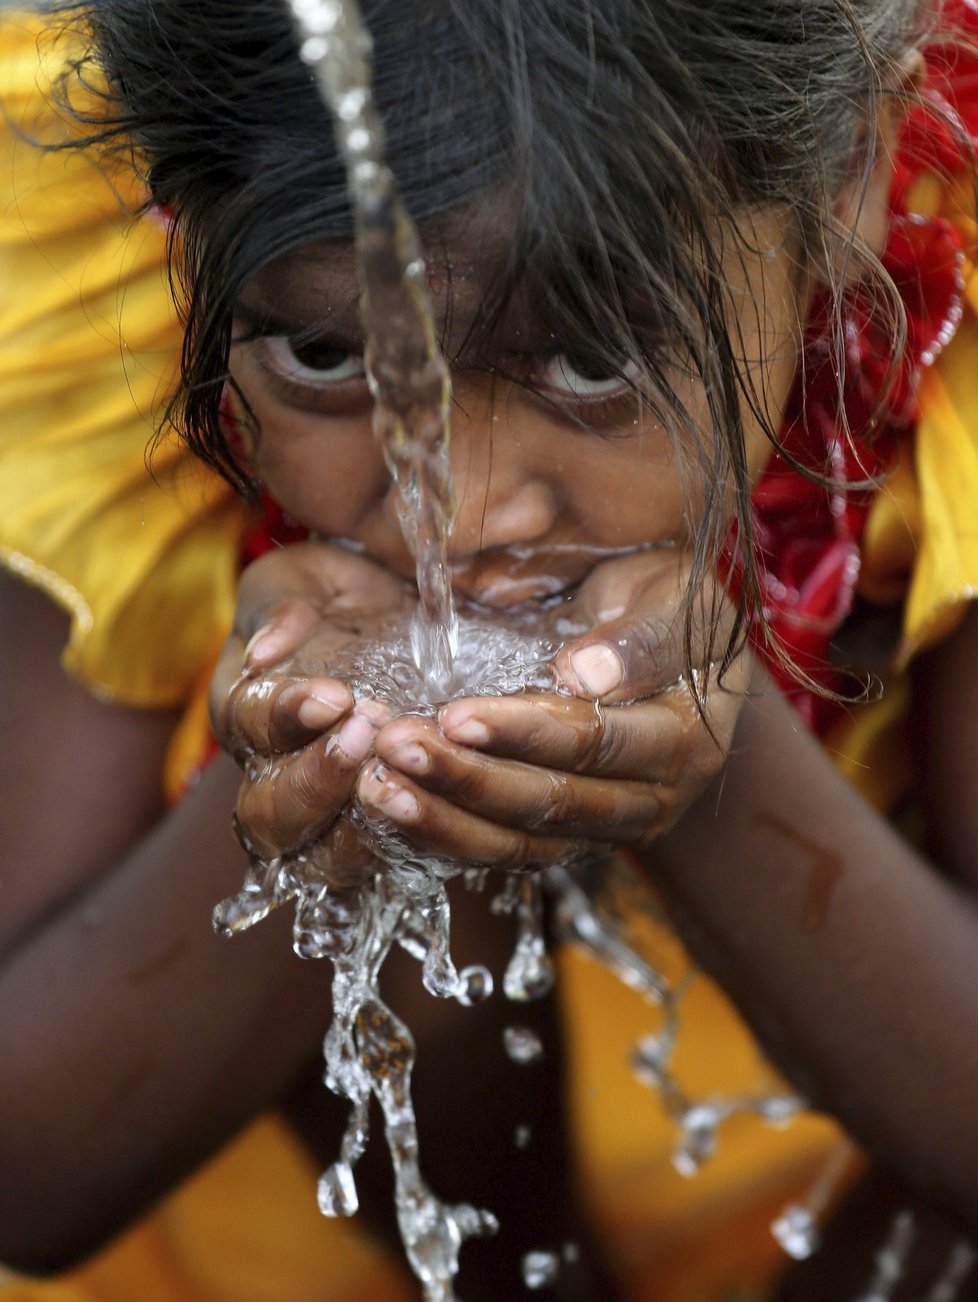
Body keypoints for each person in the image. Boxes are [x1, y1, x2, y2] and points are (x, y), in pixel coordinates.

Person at [2, 1, 978, 1299]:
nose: (452, 519)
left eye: (589, 361)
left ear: (852, 160)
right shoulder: (105, 257)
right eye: (322, 353)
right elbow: (31, 1169)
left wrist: (708, 742)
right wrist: (324, 801)